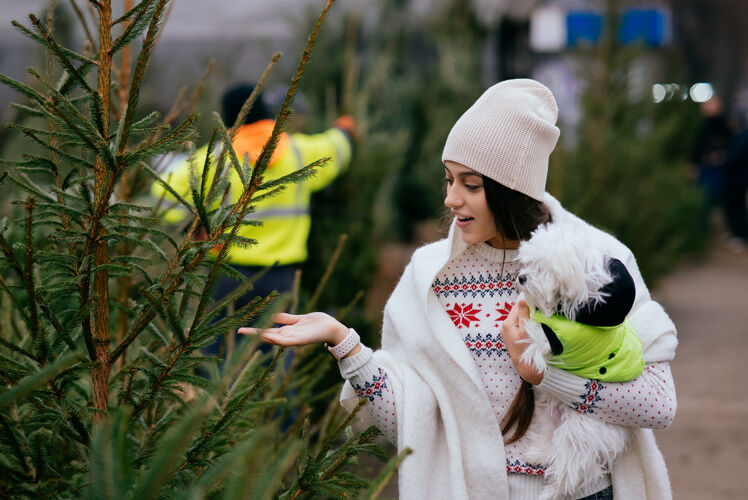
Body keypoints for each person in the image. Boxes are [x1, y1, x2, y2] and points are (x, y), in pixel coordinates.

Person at [239, 80, 677, 499]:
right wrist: (345, 344)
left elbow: (658, 404)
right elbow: (411, 426)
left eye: (470, 184)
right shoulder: (429, 277)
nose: (451, 199)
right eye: (449, 180)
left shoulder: (597, 263)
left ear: (513, 190)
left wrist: (543, 375)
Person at [153, 83, 355, 358]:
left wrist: (193, 225)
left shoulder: (213, 159)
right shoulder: (298, 152)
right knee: (277, 357)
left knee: (218, 357)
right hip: (282, 276)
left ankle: (219, 402)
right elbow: (338, 150)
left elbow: (163, 196)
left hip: (225, 274)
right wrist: (343, 130)